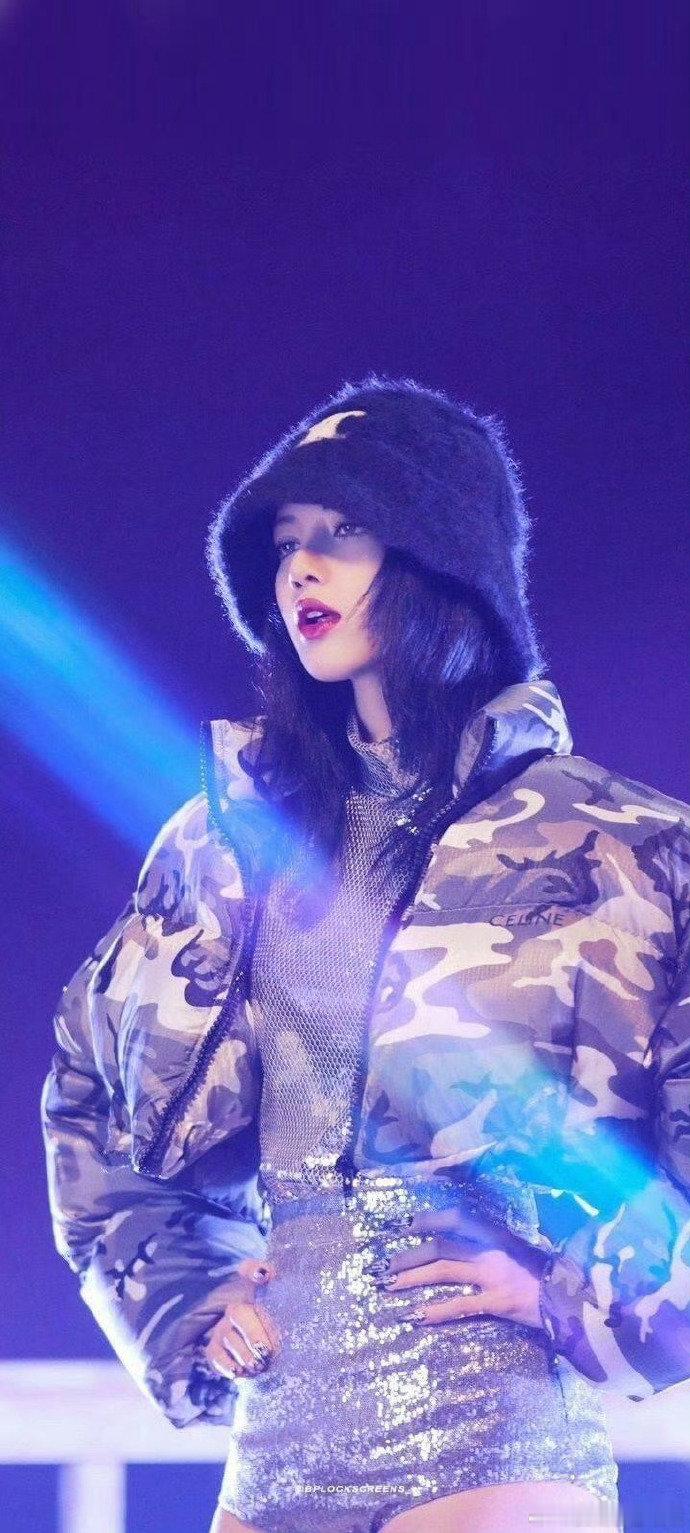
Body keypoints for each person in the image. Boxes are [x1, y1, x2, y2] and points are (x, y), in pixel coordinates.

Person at [41, 375, 690, 1533]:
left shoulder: (619, 845)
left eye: (341, 533)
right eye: (287, 542)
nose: (301, 569)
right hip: (280, 1429)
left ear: (446, 561)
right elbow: (90, 1083)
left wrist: (586, 1292)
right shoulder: (224, 844)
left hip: (492, 1424)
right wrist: (187, 1293)